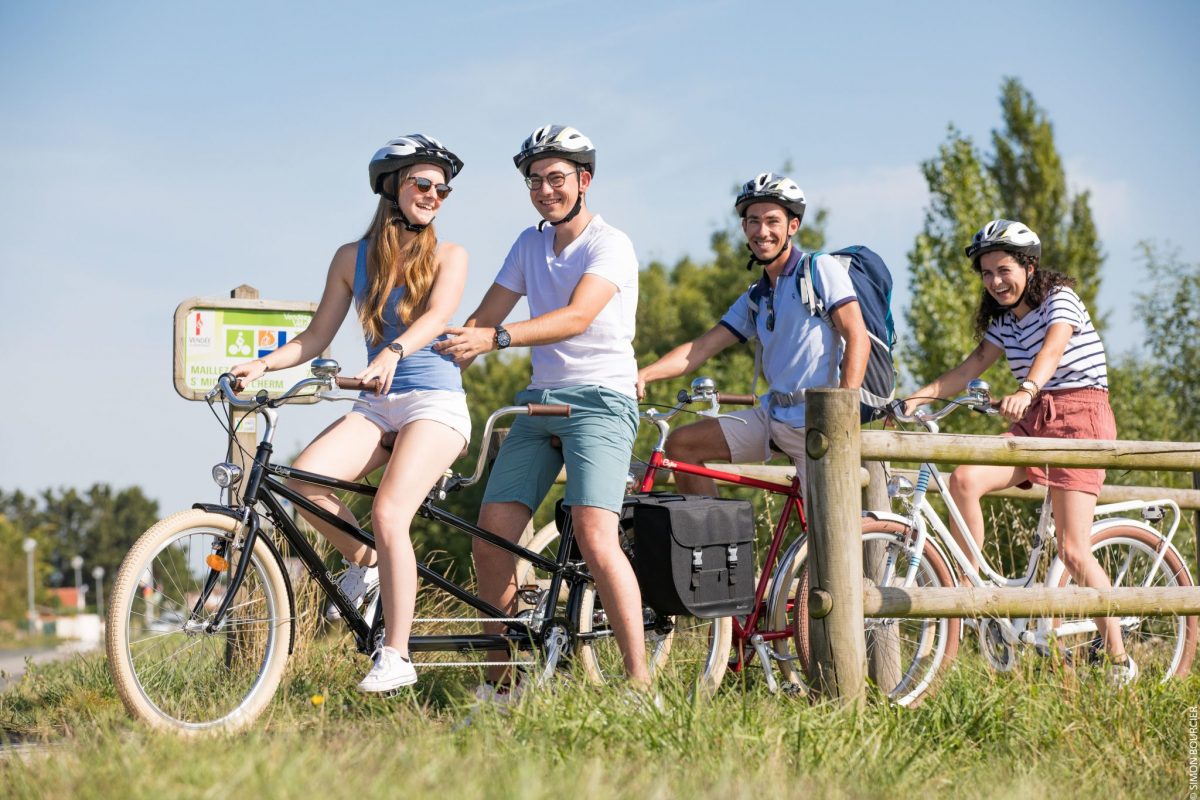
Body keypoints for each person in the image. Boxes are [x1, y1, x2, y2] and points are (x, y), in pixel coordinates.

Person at [230, 134, 471, 693]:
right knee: (302, 482)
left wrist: (391, 352)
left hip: (434, 402)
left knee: (390, 512)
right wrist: (263, 366)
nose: (434, 195)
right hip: (377, 403)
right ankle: (364, 564)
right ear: (391, 186)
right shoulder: (351, 258)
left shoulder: (450, 255)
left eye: (442, 188)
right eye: (423, 183)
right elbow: (316, 336)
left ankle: (397, 655)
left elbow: (437, 318)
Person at [437, 124, 647, 700]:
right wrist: (428, 367)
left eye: (556, 178)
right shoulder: (529, 245)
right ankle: (504, 685)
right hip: (540, 404)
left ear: (584, 180)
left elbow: (577, 318)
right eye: (535, 181)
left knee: (597, 537)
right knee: (491, 538)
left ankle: (639, 686)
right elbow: (483, 319)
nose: (545, 190)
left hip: (602, 400)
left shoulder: (612, 244)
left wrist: (497, 340)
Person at [902, 218, 1134, 685]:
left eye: (1003, 270)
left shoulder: (1060, 300)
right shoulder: (1005, 324)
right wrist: (916, 399)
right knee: (964, 479)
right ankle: (966, 593)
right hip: (1034, 417)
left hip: (1079, 417)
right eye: (987, 274)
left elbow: (1052, 350)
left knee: (1072, 549)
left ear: (1029, 266)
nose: (995, 282)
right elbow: (971, 367)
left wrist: (1027, 387)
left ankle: (1118, 657)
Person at [637, 172, 869, 494]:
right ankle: (712, 543)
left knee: (829, 538)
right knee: (682, 446)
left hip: (819, 422)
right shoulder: (756, 297)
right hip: (773, 417)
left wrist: (842, 412)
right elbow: (699, 350)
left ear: (793, 226)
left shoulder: (819, 269)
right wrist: (643, 375)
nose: (763, 231)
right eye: (753, 221)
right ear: (744, 228)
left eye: (773, 221)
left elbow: (857, 336)